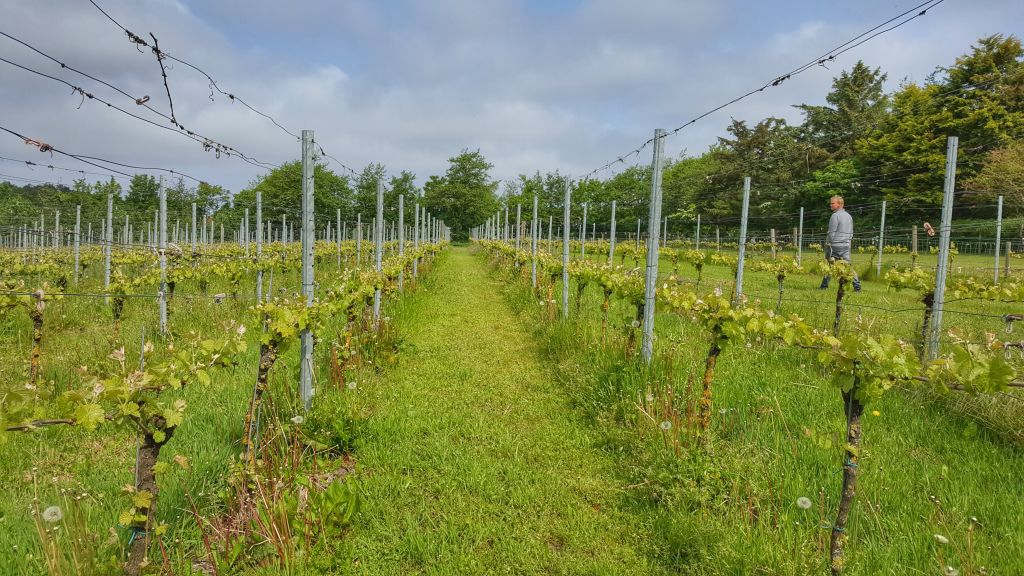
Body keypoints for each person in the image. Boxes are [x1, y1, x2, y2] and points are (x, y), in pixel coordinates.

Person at [819, 195, 861, 291]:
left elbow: (831, 233)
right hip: (846, 245)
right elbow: (851, 232)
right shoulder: (849, 216)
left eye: (833, 203)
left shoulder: (835, 216)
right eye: (831, 203)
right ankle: (857, 286)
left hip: (835, 245)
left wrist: (828, 245)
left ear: (840, 204)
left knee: (829, 265)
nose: (831, 205)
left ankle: (824, 286)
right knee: (848, 266)